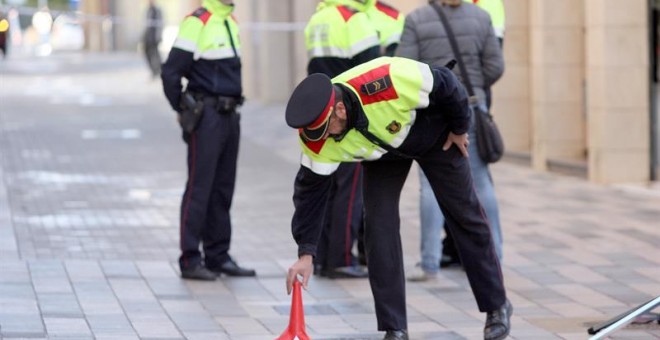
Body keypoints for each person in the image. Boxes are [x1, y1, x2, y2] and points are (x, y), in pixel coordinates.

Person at [284, 56, 512, 340]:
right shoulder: (316, 136)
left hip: (433, 133)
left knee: (464, 216)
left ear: (340, 110)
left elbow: (447, 83)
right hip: (383, 155)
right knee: (379, 228)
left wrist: (459, 128)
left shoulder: (387, 80)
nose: (323, 140)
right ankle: (395, 327)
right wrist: (306, 253)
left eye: (326, 130)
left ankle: (497, 307)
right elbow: (310, 193)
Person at [396, 0, 505, 281]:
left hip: (431, 113)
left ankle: (429, 263)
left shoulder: (416, 19)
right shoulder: (481, 17)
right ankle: (495, 256)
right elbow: (495, 64)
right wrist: (472, 85)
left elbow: (403, 69)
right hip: (471, 105)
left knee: (429, 187)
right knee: (480, 182)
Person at [160, 0, 255, 281]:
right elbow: (171, 72)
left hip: (230, 114)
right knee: (200, 188)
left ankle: (217, 256)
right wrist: (182, 107)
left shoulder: (230, 20)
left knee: (223, 188)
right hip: (208, 116)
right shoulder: (197, 22)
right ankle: (190, 259)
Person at [304, 0, 380, 279]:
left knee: (330, 187)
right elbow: (374, 69)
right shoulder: (354, 18)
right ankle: (343, 258)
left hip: (322, 115)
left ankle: (324, 258)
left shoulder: (318, 18)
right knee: (350, 192)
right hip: (348, 115)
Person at [143, 0, 163, 78]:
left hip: (154, 37)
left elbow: (160, 24)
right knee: (147, 53)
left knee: (155, 55)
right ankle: (154, 71)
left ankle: (158, 71)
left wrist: (159, 36)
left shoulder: (157, 10)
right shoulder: (148, 10)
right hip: (148, 37)